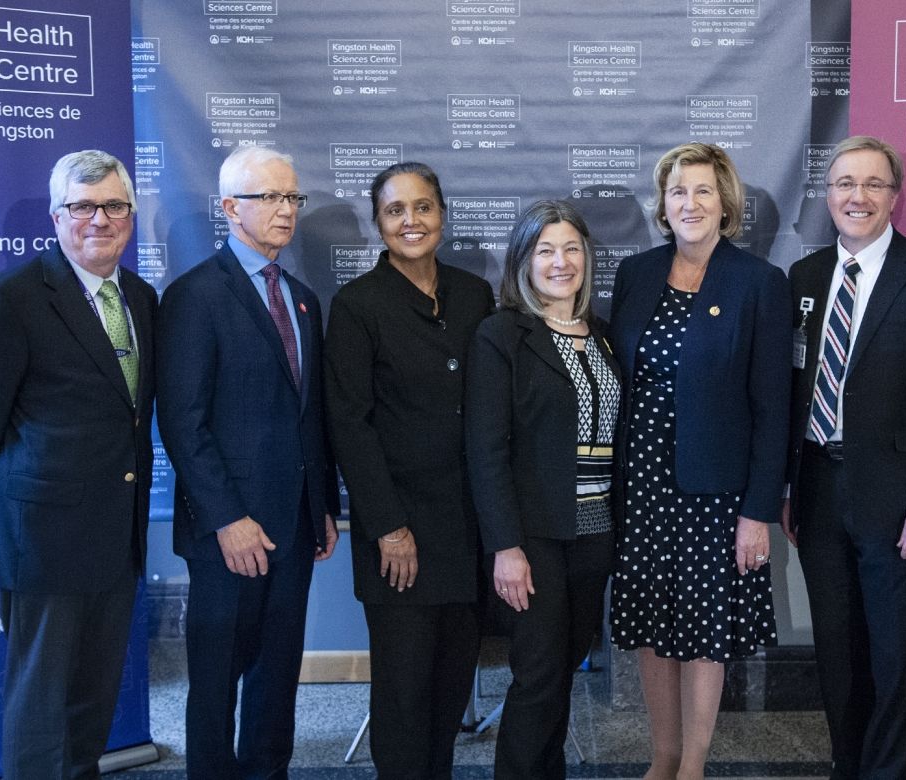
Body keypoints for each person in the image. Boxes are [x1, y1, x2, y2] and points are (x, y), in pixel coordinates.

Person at [783, 136, 906, 779]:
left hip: (899, 502)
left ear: (895, 196)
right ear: (828, 193)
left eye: (872, 184)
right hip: (816, 491)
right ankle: (849, 765)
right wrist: (787, 488)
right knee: (837, 653)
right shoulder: (805, 277)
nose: (856, 197)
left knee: (895, 657)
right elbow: (790, 389)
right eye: (844, 183)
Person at [607, 142, 790, 779]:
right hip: (641, 485)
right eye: (678, 191)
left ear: (725, 204)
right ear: (663, 203)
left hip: (716, 495)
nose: (690, 203)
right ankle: (662, 757)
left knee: (703, 629)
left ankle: (693, 764)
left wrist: (758, 512)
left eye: (704, 191)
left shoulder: (760, 283)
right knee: (652, 623)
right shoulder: (635, 274)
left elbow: (773, 411)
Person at [156, 146, 339, 779]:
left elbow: (307, 415)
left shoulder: (303, 298)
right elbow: (182, 421)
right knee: (215, 683)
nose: (287, 211)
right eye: (272, 198)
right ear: (232, 208)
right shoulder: (193, 296)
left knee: (277, 676)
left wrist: (322, 507)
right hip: (227, 534)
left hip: (293, 527)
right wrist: (227, 518)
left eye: (293, 198)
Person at [0, 150, 155, 779]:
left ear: (130, 216)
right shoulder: (13, 299)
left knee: (92, 703)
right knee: (39, 708)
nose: (99, 219)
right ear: (57, 217)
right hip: (44, 540)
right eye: (83, 207)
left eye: (113, 205)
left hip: (116, 534)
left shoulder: (141, 297)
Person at [324, 161, 494, 779]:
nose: (410, 221)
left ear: (442, 215)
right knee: (402, 695)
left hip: (467, 531)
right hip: (399, 536)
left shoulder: (473, 294)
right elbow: (349, 425)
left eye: (422, 207)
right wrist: (389, 527)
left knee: (451, 691)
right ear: (378, 224)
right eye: (395, 211)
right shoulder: (356, 305)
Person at [466, 200, 620, 779]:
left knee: (564, 672)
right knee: (538, 677)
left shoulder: (603, 337)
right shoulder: (502, 335)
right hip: (532, 539)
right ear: (524, 261)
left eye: (572, 249)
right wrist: (505, 546)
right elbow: (487, 450)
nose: (561, 262)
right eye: (546, 250)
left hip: (594, 535)